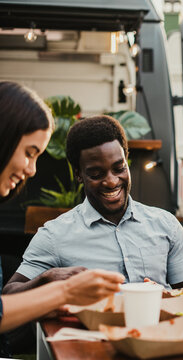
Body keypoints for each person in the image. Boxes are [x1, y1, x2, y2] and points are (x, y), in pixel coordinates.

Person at [3, 115, 183, 296]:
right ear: (79, 174)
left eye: (119, 168)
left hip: (159, 330)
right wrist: (45, 279)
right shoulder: (54, 236)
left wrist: (163, 295)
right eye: (96, 174)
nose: (111, 181)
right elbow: (9, 295)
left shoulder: (166, 225)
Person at [0, 81, 125, 336]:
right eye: (29, 152)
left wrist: (53, 300)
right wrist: (64, 291)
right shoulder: (55, 233)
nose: (32, 170)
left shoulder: (164, 224)